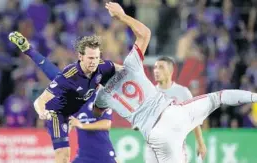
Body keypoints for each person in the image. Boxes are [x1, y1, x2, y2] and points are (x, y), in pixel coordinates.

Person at [69, 2, 257, 163]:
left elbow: (97, 112)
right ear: (112, 65)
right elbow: (145, 33)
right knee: (220, 97)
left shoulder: (103, 96)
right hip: (172, 114)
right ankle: (254, 97)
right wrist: (122, 16)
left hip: (156, 135)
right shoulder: (130, 66)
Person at [9, 31, 117, 163]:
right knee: (62, 156)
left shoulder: (101, 95)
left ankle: (29, 50)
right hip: (60, 113)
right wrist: (42, 111)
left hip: (96, 153)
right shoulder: (73, 82)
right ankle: (28, 49)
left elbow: (107, 123)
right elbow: (47, 78)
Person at [146, 56, 206, 163]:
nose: (156, 71)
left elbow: (194, 119)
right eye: (155, 67)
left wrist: (200, 143)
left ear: (170, 71)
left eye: (161, 67)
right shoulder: (150, 93)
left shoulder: (182, 92)